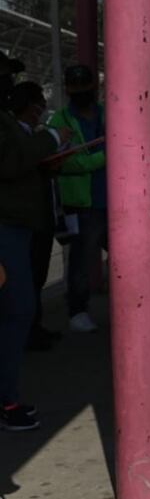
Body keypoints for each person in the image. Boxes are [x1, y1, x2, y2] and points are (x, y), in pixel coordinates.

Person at [0, 52, 69, 431]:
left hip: (16, 228)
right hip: (5, 230)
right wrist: (53, 137)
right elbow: (11, 161)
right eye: (6, 77)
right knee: (17, 311)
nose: (10, 84)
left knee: (17, 312)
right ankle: (7, 401)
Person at [47, 64, 108, 333]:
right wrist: (108, 155)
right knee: (82, 258)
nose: (82, 94)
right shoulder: (60, 121)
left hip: (113, 199)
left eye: (86, 89)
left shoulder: (107, 115)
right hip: (82, 203)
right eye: (77, 90)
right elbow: (68, 163)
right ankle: (77, 309)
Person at [9, 82, 62, 351]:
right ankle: (25, 332)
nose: (42, 108)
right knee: (24, 282)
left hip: (40, 219)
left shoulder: (29, 134)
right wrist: (53, 139)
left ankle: (33, 328)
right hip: (22, 224)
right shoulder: (17, 137)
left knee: (35, 278)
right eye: (39, 103)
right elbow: (18, 165)